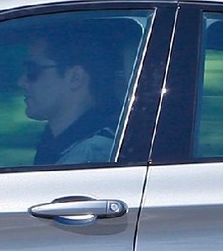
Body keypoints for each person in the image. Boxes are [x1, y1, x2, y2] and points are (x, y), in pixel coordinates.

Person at [19, 14, 139, 166]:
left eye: (32, 70)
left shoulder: (90, 156)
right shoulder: (60, 147)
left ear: (75, 78)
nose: (21, 81)